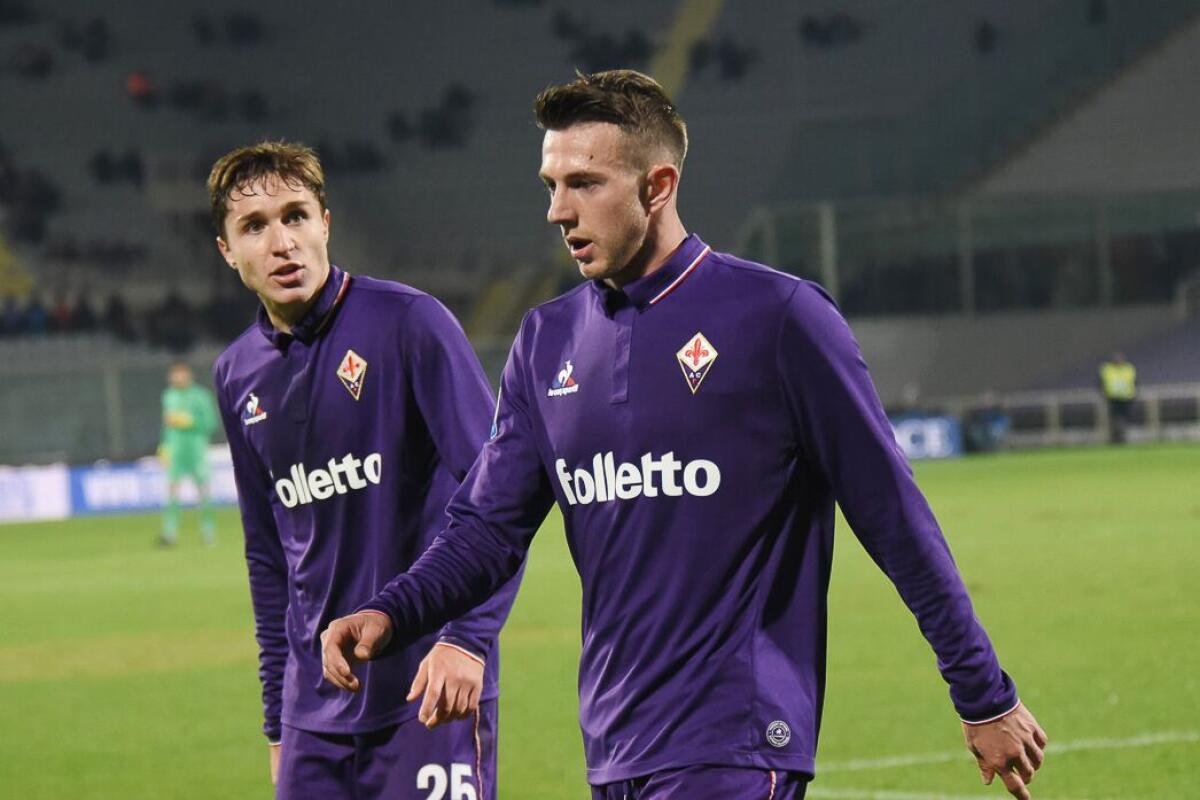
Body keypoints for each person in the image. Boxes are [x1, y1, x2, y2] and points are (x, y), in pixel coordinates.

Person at [321, 71, 1047, 799]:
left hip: (736, 740)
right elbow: (486, 529)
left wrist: (982, 692)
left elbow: (895, 519)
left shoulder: (778, 318)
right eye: (550, 184)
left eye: (583, 183)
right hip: (615, 746)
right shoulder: (548, 341)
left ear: (657, 185)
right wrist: (394, 608)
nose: (558, 210)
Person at [207, 141, 522, 799]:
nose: (281, 241)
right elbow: (269, 561)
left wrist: (469, 640)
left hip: (427, 690)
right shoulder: (237, 376)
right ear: (227, 251)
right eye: (254, 226)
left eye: (295, 215)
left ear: (326, 222)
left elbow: (500, 498)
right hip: (311, 721)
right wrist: (277, 723)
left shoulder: (410, 324)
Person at [158, 361, 218, 546]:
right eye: (174, 375)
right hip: (176, 450)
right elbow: (167, 423)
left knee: (203, 491)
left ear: (188, 375)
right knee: (172, 491)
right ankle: (169, 534)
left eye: (180, 374)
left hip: (196, 450)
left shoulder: (200, 396)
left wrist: (189, 421)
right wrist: (164, 445)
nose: (177, 378)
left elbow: (210, 423)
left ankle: (208, 533)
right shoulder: (168, 395)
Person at [1099, 351, 1137, 444]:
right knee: (1115, 419)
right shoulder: (1107, 369)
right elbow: (1100, 383)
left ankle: (1122, 437)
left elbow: (1135, 382)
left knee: (1124, 419)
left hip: (1126, 399)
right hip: (1113, 399)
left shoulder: (1128, 369)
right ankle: (1116, 438)